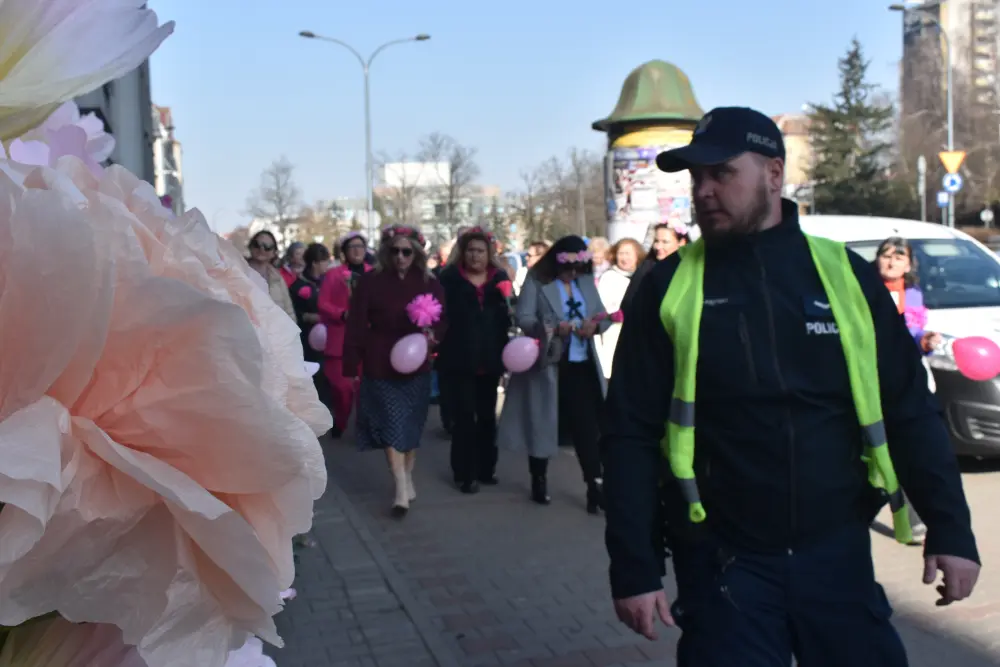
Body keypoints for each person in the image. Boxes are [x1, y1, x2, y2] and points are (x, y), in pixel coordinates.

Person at [602, 107, 980, 666]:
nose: (703, 190)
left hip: (837, 554)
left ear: (774, 174)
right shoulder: (667, 285)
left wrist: (951, 530)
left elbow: (908, 408)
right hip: (722, 565)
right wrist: (634, 567)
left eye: (721, 173)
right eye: (696, 177)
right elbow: (628, 433)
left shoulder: (844, 275)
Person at [497, 235, 612, 513]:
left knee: (587, 427)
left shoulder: (586, 282)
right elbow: (524, 317)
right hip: (547, 364)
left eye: (577, 268)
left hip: (582, 364)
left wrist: (595, 326)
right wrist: (551, 327)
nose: (572, 273)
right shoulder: (537, 282)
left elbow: (602, 315)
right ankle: (539, 477)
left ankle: (594, 485)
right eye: (567, 268)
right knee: (542, 421)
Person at [343, 225, 446, 517]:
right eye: (394, 251)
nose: (400, 257)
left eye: (406, 252)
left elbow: (443, 319)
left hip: (416, 362)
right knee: (390, 423)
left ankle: (408, 474)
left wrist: (433, 337)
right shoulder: (370, 281)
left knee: (410, 424)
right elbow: (356, 323)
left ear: (416, 253)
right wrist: (351, 363)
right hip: (380, 360)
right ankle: (400, 485)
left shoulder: (429, 282)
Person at [874, 236, 943, 546]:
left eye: (898, 258)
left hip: (907, 384)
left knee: (909, 452)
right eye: (886, 255)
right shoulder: (863, 288)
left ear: (908, 265)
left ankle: (913, 523)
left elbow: (914, 337)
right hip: (870, 384)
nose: (891, 262)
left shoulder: (913, 295)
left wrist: (925, 342)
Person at [437, 227, 512, 493]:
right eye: (470, 250)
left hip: (490, 358)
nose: (475, 255)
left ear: (489, 253)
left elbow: (509, 317)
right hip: (459, 358)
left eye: (480, 251)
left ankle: (486, 468)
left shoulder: (499, 279)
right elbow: (439, 316)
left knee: (488, 417)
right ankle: (465, 473)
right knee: (464, 417)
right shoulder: (448, 279)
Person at [318, 232, 373, 437]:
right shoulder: (334, 274)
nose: (357, 251)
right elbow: (323, 303)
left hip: (367, 340)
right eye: (352, 247)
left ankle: (365, 428)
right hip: (340, 339)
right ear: (344, 252)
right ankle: (340, 420)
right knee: (343, 389)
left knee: (366, 389)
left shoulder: (374, 273)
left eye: (360, 246)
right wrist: (342, 314)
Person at [289, 243, 334, 424]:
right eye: (324, 261)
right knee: (314, 373)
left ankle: (327, 411)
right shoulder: (298, 286)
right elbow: (292, 311)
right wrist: (307, 317)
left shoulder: (328, 282)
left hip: (329, 336)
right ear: (315, 263)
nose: (327, 265)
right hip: (308, 338)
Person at [595, 238, 644, 380]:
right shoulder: (609, 277)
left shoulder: (643, 276)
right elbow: (600, 308)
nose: (624, 258)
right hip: (613, 333)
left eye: (628, 254)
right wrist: (612, 315)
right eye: (621, 253)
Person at [620, 222, 690, 315]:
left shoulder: (690, 268)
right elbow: (629, 303)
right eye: (656, 241)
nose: (658, 247)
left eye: (665, 242)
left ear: (681, 243)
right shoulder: (647, 269)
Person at [246, 230, 295, 320]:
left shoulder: (278, 278)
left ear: (274, 252)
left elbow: (289, 310)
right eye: (257, 245)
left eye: (267, 247)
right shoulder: (236, 272)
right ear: (250, 247)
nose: (261, 249)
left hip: (275, 327)